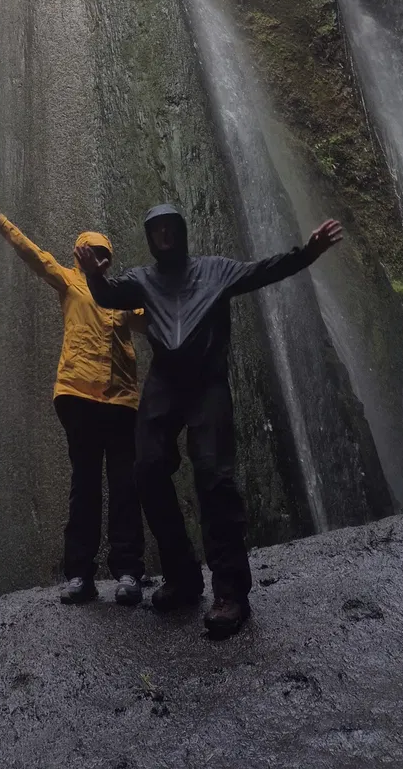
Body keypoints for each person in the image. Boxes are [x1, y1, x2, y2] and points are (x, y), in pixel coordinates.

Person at [76, 202, 343, 640]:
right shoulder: (143, 278)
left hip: (207, 382)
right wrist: (93, 273)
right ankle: (182, 577)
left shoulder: (216, 270)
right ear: (150, 238)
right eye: (156, 231)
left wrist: (307, 253)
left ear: (181, 232)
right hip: (165, 380)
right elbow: (107, 296)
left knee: (214, 477)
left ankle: (231, 592)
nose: (163, 236)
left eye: (169, 229)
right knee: (145, 470)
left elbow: (263, 271)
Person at [0, 192, 146, 606]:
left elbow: (154, 317)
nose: (98, 259)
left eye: (104, 254)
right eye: (91, 253)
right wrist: (0, 219)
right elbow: (35, 256)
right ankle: (80, 576)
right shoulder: (70, 282)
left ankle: (127, 572)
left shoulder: (123, 295)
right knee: (84, 485)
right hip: (78, 397)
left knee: (125, 487)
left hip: (122, 401)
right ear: (79, 256)